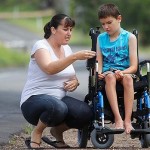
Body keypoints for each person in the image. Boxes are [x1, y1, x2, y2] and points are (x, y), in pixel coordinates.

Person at [20, 13, 96, 149]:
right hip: (33, 101)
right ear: (53, 30)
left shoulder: (66, 49)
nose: (69, 33)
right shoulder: (41, 46)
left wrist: (75, 82)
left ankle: (57, 131)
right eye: (65, 29)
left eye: (71, 30)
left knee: (86, 113)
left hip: (59, 100)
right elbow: (49, 68)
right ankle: (36, 133)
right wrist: (74, 57)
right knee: (57, 107)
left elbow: (70, 74)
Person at [96, 3, 137, 134]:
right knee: (109, 77)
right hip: (108, 73)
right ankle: (118, 118)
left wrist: (123, 72)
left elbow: (134, 66)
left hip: (126, 71)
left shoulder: (129, 37)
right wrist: (98, 73)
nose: (106, 27)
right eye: (103, 24)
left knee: (128, 80)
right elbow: (99, 63)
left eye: (109, 22)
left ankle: (127, 121)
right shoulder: (100, 38)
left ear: (119, 18)